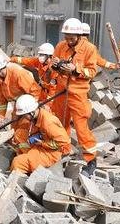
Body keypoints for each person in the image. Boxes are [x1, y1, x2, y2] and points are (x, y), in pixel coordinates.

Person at [50, 18, 98, 176]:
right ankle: (64, 151)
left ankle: (91, 160)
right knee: (59, 123)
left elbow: (92, 71)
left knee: (81, 128)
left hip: (78, 93)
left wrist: (76, 69)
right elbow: (52, 65)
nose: (68, 41)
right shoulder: (60, 46)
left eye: (71, 38)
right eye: (66, 37)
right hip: (61, 91)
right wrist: (56, 65)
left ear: (79, 36)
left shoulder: (89, 49)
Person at [0, 53, 41, 153]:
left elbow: (35, 91)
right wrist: (1, 116)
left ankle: (30, 154)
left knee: (25, 128)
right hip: (18, 104)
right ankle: (17, 151)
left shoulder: (18, 73)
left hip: (30, 104)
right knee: (14, 129)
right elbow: (2, 101)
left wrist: (29, 109)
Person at [10, 94, 71, 174]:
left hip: (51, 152)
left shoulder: (48, 122)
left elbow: (63, 142)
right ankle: (26, 155)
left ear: (31, 112)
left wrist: (43, 143)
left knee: (17, 162)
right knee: (19, 134)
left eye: (25, 115)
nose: (24, 117)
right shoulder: (37, 115)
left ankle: (27, 162)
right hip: (41, 142)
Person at [10, 43, 58, 108]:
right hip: (42, 92)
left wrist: (48, 104)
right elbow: (26, 61)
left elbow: (53, 89)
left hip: (52, 96)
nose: (40, 56)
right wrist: (12, 59)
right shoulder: (39, 62)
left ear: (49, 56)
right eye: (40, 54)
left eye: (42, 55)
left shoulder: (53, 69)